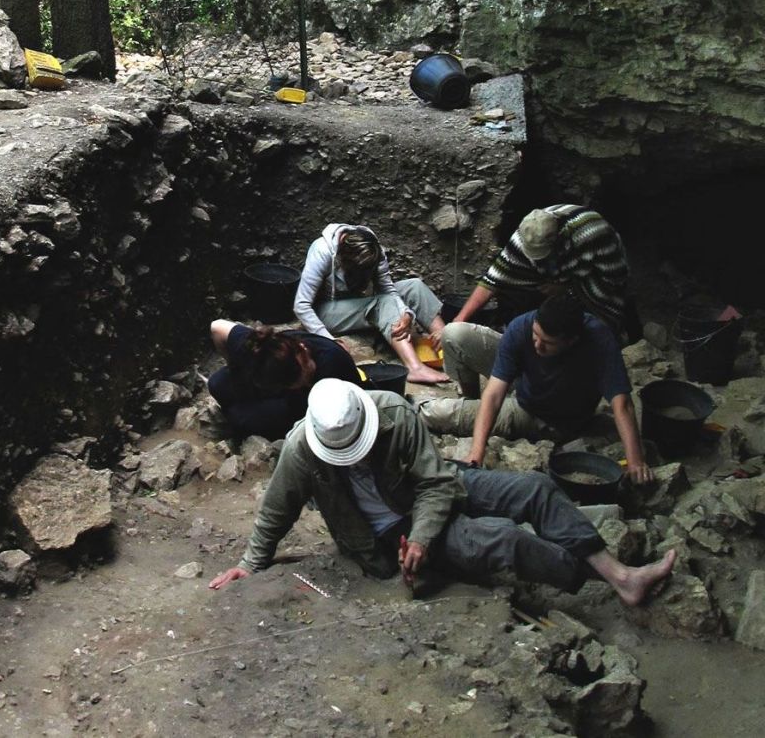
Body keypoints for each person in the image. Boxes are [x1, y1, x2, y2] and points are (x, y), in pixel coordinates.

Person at [209, 379, 675, 604]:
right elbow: (276, 510)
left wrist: (426, 537)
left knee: (534, 488)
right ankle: (602, 581)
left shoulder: (392, 411)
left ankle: (619, 574)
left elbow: (435, 484)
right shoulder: (301, 451)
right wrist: (250, 565)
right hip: (386, 531)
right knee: (501, 538)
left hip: (429, 491)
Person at [420, 295, 653, 483]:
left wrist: (635, 461)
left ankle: (411, 406)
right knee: (454, 333)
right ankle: (469, 399)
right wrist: (477, 450)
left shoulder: (599, 340)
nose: (537, 344)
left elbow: (622, 403)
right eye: (535, 335)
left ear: (570, 340)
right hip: (524, 382)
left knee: (438, 413)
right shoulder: (524, 325)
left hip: (538, 414)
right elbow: (493, 395)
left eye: (548, 343)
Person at [294, 223, 448, 385]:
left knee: (413, 286)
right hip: (325, 311)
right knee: (382, 304)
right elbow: (301, 306)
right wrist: (329, 340)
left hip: (355, 303)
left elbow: (387, 289)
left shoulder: (372, 249)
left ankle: (446, 340)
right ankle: (415, 368)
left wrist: (406, 313)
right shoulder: (322, 251)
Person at [451, 204, 632, 337]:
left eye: (543, 255)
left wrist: (568, 288)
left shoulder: (592, 233)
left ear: (560, 238)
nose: (537, 260)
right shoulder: (524, 236)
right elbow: (493, 280)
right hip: (554, 278)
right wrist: (459, 321)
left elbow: (614, 280)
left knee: (596, 331)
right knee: (514, 291)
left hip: (589, 281)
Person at [207, 319, 362, 441]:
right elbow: (217, 327)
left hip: (304, 401)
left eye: (306, 372)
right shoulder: (262, 348)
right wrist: (234, 367)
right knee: (217, 384)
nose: (307, 380)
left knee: (238, 417)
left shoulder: (333, 363)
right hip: (275, 383)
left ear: (303, 349)